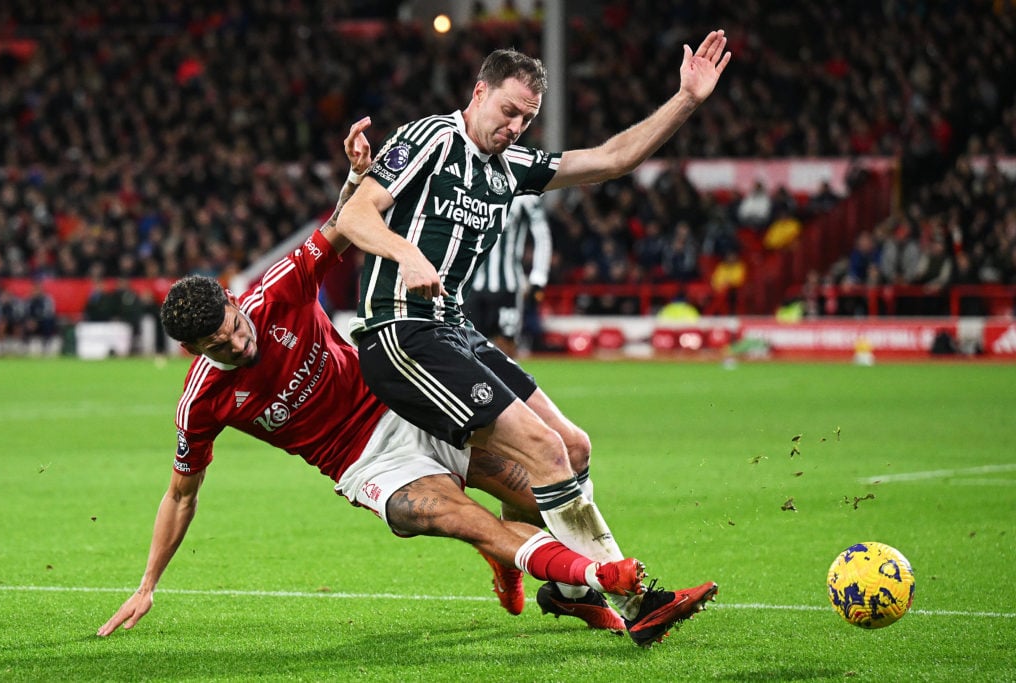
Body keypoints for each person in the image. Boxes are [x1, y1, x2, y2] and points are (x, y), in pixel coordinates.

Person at [96, 123, 663, 643]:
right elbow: (181, 494)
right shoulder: (202, 401)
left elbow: (342, 229)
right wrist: (148, 583)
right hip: (366, 464)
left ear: (230, 299)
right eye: (219, 346)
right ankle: (597, 578)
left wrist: (353, 179)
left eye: (234, 326)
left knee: (536, 493)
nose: (239, 342)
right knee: (467, 519)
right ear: (191, 350)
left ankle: (560, 589)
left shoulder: (274, 292)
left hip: (405, 404)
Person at [335, 31, 730, 646]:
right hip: (400, 332)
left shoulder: (508, 168)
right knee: (541, 450)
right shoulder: (432, 138)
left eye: (528, 118)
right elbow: (356, 215)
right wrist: (405, 253)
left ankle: (569, 592)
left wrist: (685, 100)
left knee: (572, 447)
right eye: (508, 111)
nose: (516, 127)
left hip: (456, 329)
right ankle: (632, 599)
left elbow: (611, 159)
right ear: (479, 92)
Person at [462, 194, 552, 357]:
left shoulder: (526, 194)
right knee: (469, 347)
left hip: (508, 286)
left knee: (506, 346)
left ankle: (508, 383)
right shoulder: (471, 185)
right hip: (471, 286)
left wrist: (538, 277)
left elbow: (542, 235)